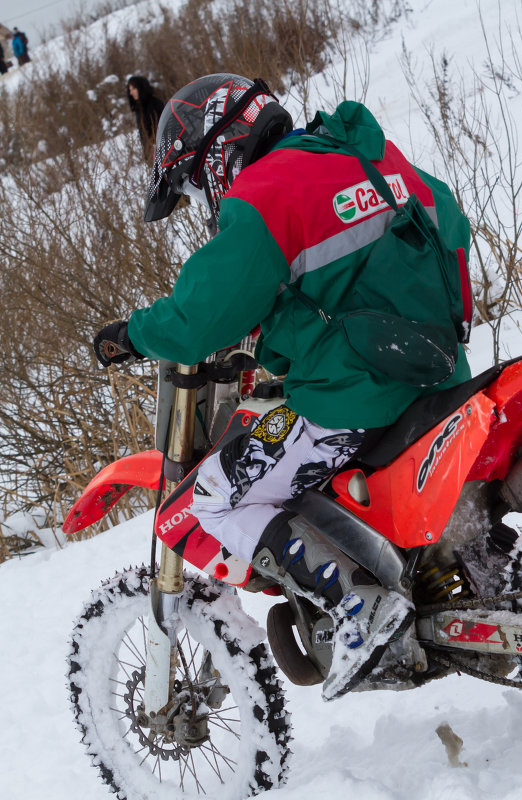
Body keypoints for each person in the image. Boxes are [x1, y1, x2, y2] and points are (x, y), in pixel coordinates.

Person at [91, 73, 474, 700]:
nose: (201, 195)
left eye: (192, 181)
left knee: (214, 497)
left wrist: (131, 336)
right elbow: (448, 219)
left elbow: (198, 319)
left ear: (217, 148)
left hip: (351, 393)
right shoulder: (359, 152)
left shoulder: (264, 193)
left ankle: (360, 609)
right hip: (437, 371)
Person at [126, 75, 165, 159]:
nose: (131, 93)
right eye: (130, 90)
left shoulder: (155, 104)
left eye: (133, 89)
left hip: (163, 152)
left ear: (141, 88)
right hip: (151, 155)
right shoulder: (139, 109)